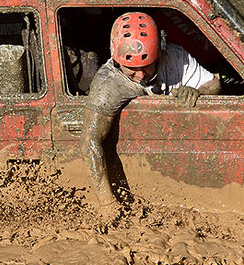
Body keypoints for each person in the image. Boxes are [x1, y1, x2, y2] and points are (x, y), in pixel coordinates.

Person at [83, 12, 220, 209]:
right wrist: (107, 204)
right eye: (131, 68)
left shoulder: (175, 57)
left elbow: (213, 84)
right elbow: (89, 143)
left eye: (146, 66)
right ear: (116, 59)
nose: (139, 75)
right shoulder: (108, 85)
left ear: (159, 54)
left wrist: (197, 91)